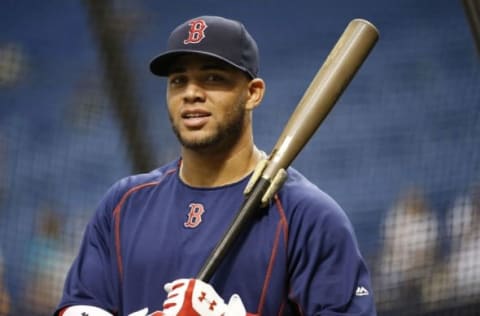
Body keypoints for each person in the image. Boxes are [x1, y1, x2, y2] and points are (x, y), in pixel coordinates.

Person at [54, 15, 376, 316]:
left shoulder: (308, 215)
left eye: (212, 78)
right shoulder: (123, 205)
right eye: (179, 80)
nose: (192, 93)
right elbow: (80, 305)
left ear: (253, 93)